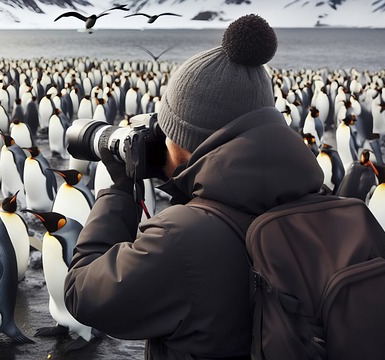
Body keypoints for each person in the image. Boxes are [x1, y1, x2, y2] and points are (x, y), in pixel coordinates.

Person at [63, 14, 325, 359]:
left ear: (187, 140)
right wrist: (190, 187)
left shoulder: (180, 239)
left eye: (168, 129)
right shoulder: (321, 205)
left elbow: (82, 291)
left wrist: (120, 188)